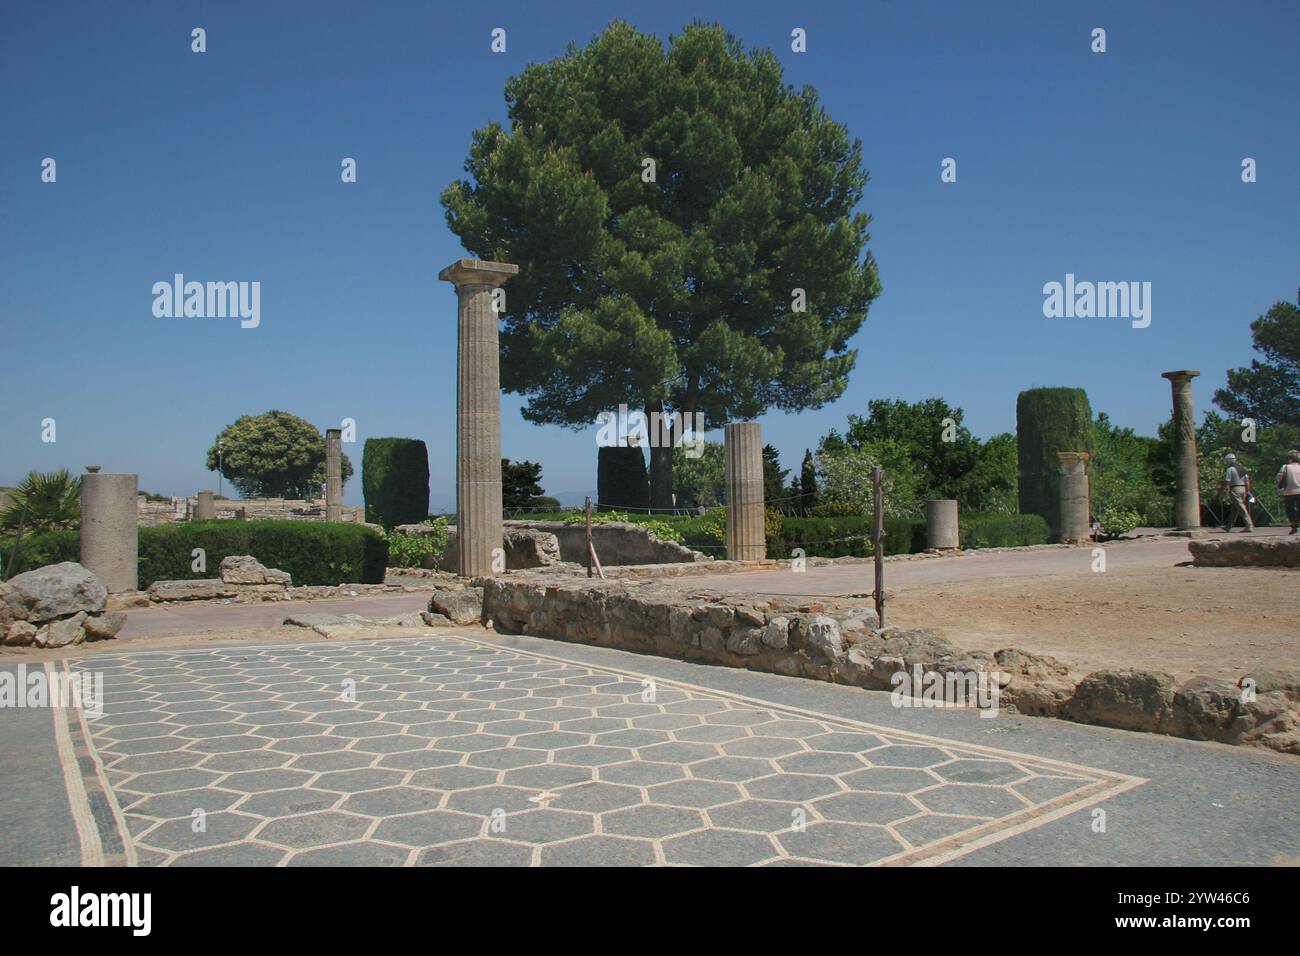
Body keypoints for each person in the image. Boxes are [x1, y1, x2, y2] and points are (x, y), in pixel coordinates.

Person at [1221, 453, 1254, 532]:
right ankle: (1228, 526)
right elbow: (1247, 481)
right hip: (1243, 488)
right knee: (1235, 508)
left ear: (1228, 460)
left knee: (1241, 508)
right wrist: (1247, 491)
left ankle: (1249, 526)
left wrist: (1222, 490)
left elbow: (1227, 481)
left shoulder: (1230, 469)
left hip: (1235, 489)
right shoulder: (1242, 468)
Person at [1277, 449, 1300, 535]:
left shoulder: (1285, 467)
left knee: (1290, 510)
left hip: (1289, 492)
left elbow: (1279, 477)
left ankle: (1294, 525)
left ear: (1290, 459)